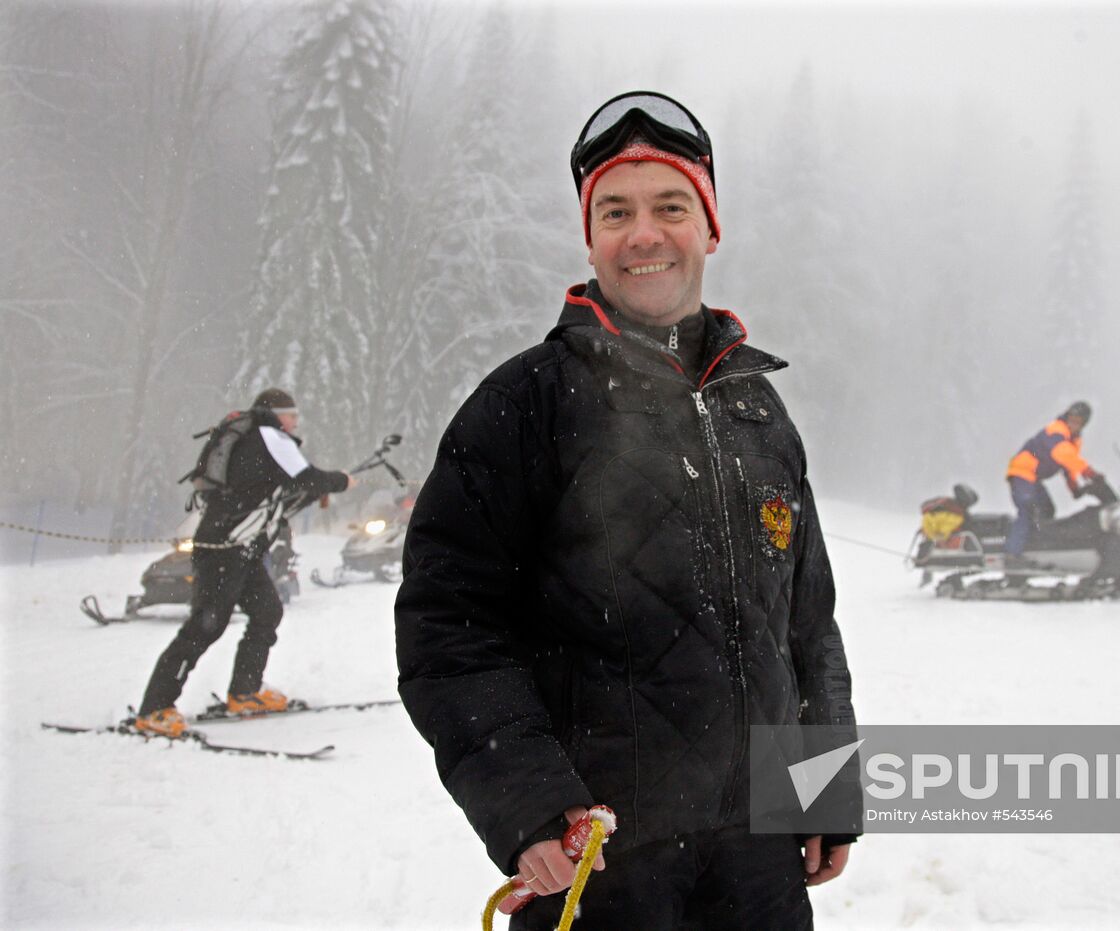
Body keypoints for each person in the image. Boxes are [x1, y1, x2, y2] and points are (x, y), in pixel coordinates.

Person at [395, 91, 859, 929]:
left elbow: (808, 623)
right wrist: (530, 802)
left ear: (709, 228)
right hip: (599, 862)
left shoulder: (758, 411)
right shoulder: (522, 404)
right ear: (591, 236)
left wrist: (822, 789)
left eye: (669, 206)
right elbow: (448, 626)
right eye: (616, 212)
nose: (643, 233)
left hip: (760, 857)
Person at [132, 388, 354, 737]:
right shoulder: (269, 435)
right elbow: (306, 477)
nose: (295, 421)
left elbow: (276, 491)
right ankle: (155, 708)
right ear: (276, 414)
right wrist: (340, 480)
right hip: (223, 550)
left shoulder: (255, 441)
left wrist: (319, 488)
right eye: (291, 414)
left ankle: (245, 693)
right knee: (205, 626)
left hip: (242, 551)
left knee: (267, 612)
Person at [1004, 400, 1102, 563]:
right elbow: (1061, 453)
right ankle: (1012, 554)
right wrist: (1087, 471)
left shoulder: (1073, 439)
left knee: (1047, 510)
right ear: (1067, 416)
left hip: (1033, 478)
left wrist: (1074, 488)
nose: (1074, 424)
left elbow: (1068, 466)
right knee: (1028, 508)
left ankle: (1034, 547)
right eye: (1072, 419)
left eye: (1078, 421)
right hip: (1022, 473)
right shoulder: (1057, 430)